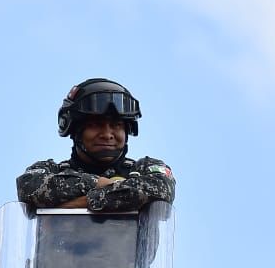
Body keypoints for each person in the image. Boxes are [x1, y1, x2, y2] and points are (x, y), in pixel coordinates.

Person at [16, 78, 175, 211]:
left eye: (117, 125)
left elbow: (162, 189)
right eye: (95, 125)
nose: (107, 134)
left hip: (124, 250)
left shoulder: (143, 169)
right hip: (61, 249)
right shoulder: (51, 170)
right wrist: (98, 183)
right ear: (74, 130)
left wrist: (84, 203)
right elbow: (28, 187)